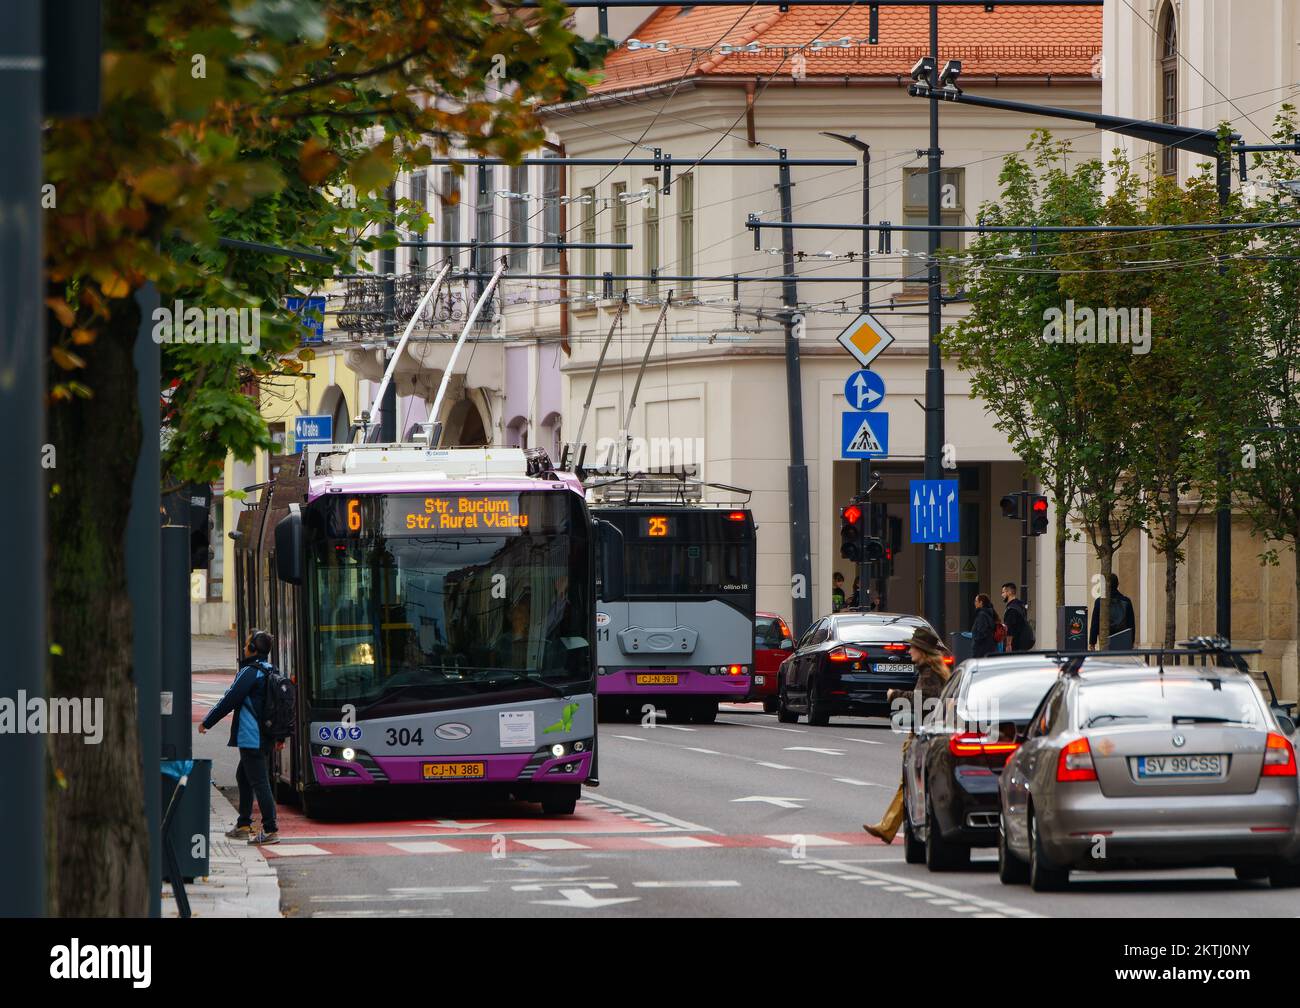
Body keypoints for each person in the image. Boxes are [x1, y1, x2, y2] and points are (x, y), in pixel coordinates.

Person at [863, 626, 952, 843]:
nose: (909, 650)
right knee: (909, 783)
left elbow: (925, 700)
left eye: (912, 646)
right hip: (925, 734)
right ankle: (887, 826)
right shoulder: (931, 671)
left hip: (923, 736)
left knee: (911, 782)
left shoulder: (930, 674)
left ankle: (890, 827)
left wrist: (895, 695)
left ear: (922, 651)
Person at [198, 630, 281, 845]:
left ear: (253, 649)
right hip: (265, 736)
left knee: (259, 781)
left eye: (246, 645)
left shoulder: (249, 672)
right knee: (243, 777)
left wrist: (207, 722)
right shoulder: (271, 670)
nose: (244, 648)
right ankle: (243, 824)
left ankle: (270, 829)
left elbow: (229, 700)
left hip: (251, 737)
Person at [1090, 573, 1135, 649]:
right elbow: (1131, 624)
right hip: (1123, 637)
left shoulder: (1100, 601)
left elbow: (1095, 623)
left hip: (1105, 638)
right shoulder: (1126, 601)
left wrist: (1092, 642)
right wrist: (1131, 641)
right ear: (1117, 584)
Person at [493, 592, 533, 668]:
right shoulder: (502, 641)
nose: (519, 615)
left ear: (527, 619)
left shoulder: (533, 640)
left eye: (523, 612)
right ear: (510, 617)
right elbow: (495, 665)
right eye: (517, 610)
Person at [1000, 582, 1034, 652]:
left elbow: (1010, 628)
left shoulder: (1011, 609)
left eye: (1003, 592)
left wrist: (1008, 644)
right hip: (1023, 642)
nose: (1002, 595)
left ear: (1009, 592)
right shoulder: (1020, 605)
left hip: (1016, 643)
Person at [971, 592, 1000, 658]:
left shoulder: (982, 615)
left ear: (981, 603)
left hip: (981, 650)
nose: (974, 603)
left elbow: (981, 632)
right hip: (990, 648)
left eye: (976, 601)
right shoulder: (990, 613)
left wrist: (975, 641)